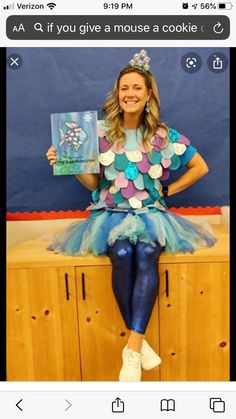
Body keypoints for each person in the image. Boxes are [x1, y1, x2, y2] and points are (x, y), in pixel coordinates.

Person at [46, 50, 216, 382]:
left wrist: (168, 192)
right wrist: (67, 164)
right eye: (125, 88)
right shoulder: (99, 133)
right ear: (117, 93)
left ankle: (132, 349)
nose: (130, 94)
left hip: (151, 214)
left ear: (148, 94)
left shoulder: (163, 136)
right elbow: (93, 183)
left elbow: (200, 167)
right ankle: (139, 342)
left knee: (148, 251)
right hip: (109, 214)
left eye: (137, 88)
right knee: (122, 252)